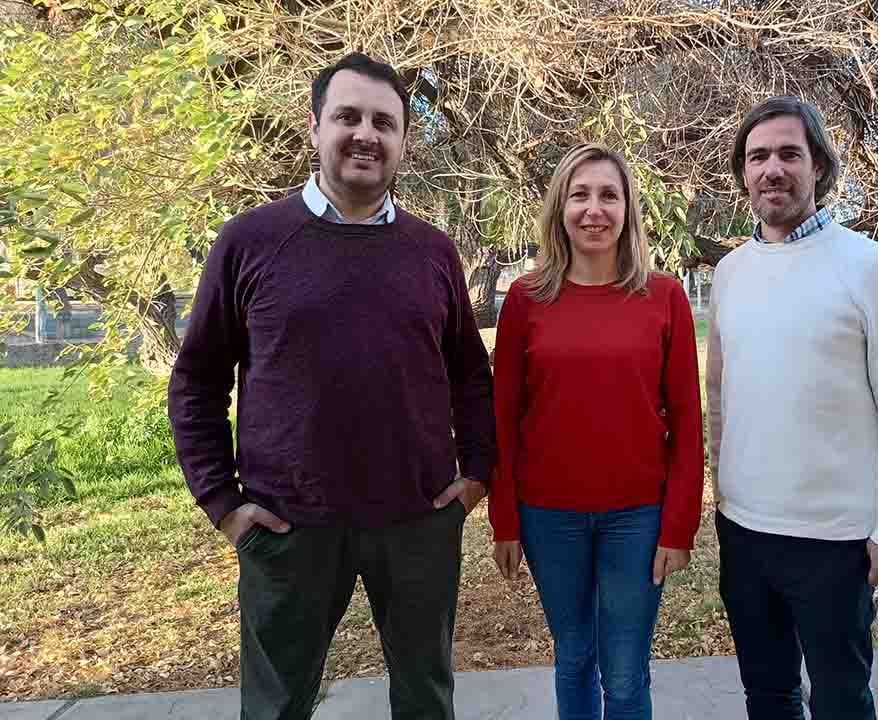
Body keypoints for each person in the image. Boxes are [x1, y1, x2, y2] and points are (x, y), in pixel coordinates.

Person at [167, 52, 495, 720]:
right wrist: (222, 504)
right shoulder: (251, 241)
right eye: (348, 116)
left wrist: (478, 474)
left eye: (385, 121)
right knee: (276, 706)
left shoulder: (432, 251)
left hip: (418, 522)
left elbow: (468, 372)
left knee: (427, 700)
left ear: (404, 141)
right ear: (315, 126)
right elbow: (198, 380)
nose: (366, 134)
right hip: (288, 527)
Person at [706, 96, 878, 719]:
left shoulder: (870, 268)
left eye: (788, 154)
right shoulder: (729, 272)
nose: (771, 169)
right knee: (769, 695)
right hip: (746, 532)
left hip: (836, 542)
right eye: (757, 157)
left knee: (840, 699)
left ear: (819, 168)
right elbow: (720, 394)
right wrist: (722, 488)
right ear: (743, 174)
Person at [488, 143, 704, 720]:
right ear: (559, 208)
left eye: (609, 195)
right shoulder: (525, 300)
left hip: (637, 517)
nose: (594, 209)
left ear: (629, 209)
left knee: (627, 673)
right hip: (547, 516)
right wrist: (503, 518)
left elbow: (687, 421)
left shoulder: (665, 297)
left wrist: (679, 525)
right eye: (579, 195)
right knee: (574, 658)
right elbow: (502, 419)